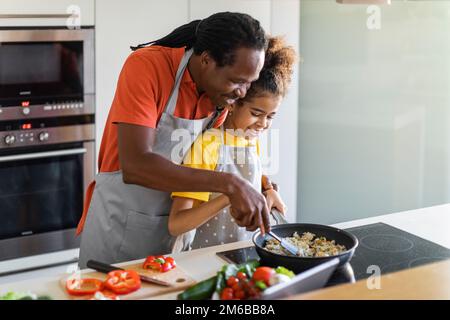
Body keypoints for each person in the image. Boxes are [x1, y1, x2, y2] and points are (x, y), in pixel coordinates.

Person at [77, 12, 275, 268]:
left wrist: (260, 185)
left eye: (249, 84)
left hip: (176, 239)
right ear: (206, 60)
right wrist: (231, 184)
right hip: (120, 229)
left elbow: (210, 157)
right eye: (237, 82)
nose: (242, 93)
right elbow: (135, 164)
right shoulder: (147, 66)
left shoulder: (220, 96)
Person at [169, 36, 296, 251]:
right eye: (256, 114)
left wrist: (267, 189)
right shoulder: (208, 146)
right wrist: (231, 195)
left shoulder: (247, 138)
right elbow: (177, 223)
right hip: (205, 260)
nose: (263, 124)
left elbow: (250, 175)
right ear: (233, 103)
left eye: (270, 116)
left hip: (244, 253)